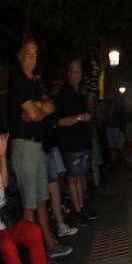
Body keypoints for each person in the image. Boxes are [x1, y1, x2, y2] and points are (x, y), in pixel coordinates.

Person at [6, 40, 72, 264]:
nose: (32, 57)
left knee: (42, 199)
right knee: (29, 206)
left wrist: (39, 108)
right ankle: (38, 261)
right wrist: (38, 110)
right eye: (28, 53)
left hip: (37, 146)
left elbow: (49, 106)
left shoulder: (34, 83)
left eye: (35, 53)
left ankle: (50, 245)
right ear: (20, 55)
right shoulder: (18, 83)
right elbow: (35, 114)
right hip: (24, 147)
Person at [0, 132, 64, 264]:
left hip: (7, 219)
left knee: (34, 232)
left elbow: (4, 184)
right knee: (9, 249)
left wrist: (2, 156)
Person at [55, 60, 99, 225]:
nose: (76, 74)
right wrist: (80, 117)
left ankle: (82, 207)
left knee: (80, 177)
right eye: (73, 71)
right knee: (73, 179)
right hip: (71, 144)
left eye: (78, 71)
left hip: (81, 142)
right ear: (68, 73)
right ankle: (78, 211)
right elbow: (60, 121)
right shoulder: (64, 93)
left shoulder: (79, 92)